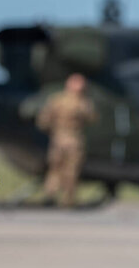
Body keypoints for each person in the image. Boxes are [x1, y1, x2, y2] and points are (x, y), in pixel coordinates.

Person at [37, 73, 97, 207]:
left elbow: (43, 120)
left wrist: (53, 131)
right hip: (74, 140)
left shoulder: (56, 99)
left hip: (57, 139)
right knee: (71, 170)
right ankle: (68, 199)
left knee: (55, 169)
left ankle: (50, 195)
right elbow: (92, 118)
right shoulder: (83, 102)